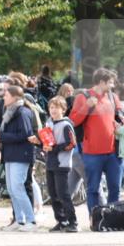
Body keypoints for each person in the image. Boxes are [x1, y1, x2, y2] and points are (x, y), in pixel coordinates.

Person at [69, 67, 124, 213]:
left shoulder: (112, 97)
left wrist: (121, 119)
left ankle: (113, 219)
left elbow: (121, 115)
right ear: (101, 82)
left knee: (115, 188)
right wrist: (86, 107)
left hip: (113, 152)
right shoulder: (83, 96)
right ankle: (94, 219)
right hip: (92, 153)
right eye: (111, 83)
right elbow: (73, 121)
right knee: (93, 188)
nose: (113, 86)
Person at [0, 85, 41, 231]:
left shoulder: (22, 112)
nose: (4, 97)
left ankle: (31, 220)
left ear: (15, 97)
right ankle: (19, 219)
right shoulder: (9, 111)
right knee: (11, 188)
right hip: (10, 154)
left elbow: (25, 135)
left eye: (6, 95)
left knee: (18, 187)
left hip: (21, 155)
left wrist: (3, 136)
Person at [43, 96, 78, 232]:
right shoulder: (48, 123)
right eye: (51, 107)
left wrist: (55, 148)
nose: (53, 110)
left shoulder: (66, 125)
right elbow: (47, 143)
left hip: (62, 164)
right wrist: (40, 143)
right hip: (50, 162)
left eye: (56, 108)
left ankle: (73, 222)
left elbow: (72, 144)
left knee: (63, 194)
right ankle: (61, 220)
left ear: (63, 109)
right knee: (53, 194)